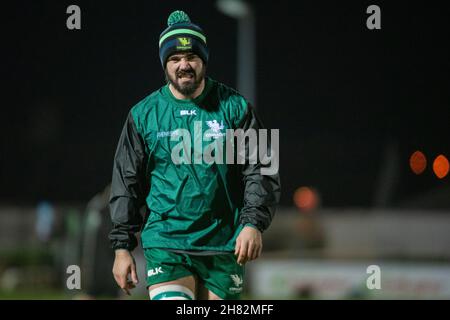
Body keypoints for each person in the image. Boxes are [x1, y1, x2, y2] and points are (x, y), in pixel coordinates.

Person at [109, 10, 281, 300]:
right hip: (167, 243)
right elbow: (126, 183)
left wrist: (252, 223)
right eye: (175, 59)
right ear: (165, 64)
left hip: (225, 245)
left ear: (203, 60)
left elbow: (262, 168)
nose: (184, 65)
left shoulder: (236, 107)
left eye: (191, 58)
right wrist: (121, 246)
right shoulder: (142, 115)